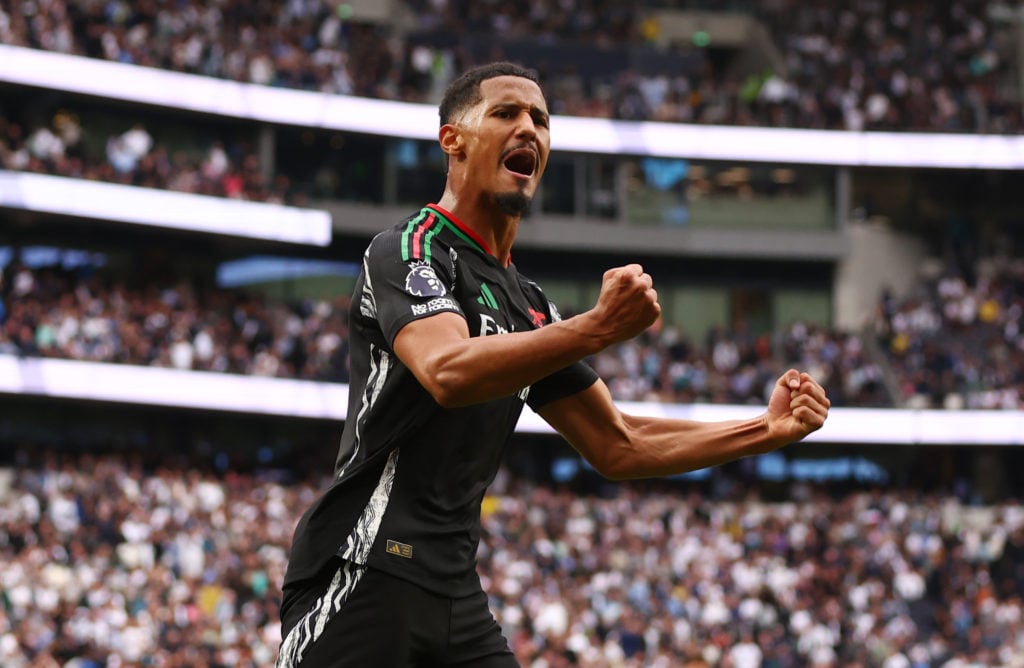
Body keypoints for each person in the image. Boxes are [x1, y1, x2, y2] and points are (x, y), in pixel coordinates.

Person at [275, 61, 831, 668]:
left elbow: (618, 443)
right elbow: (448, 372)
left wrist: (764, 430)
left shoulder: (531, 306)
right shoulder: (409, 247)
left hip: (455, 591)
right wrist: (595, 328)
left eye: (540, 119)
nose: (529, 129)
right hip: (364, 567)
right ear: (452, 140)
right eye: (506, 113)